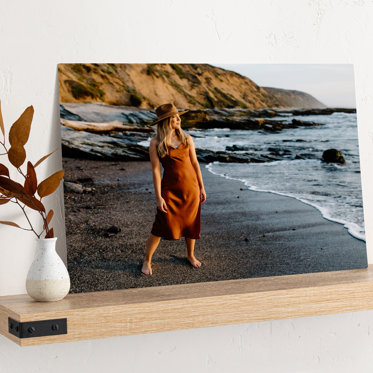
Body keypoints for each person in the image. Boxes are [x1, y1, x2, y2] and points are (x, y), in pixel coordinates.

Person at [141, 102, 207, 276]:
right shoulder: (156, 143)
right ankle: (147, 260)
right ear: (166, 121)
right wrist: (158, 197)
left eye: (178, 116)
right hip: (170, 190)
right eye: (174, 117)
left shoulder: (187, 139)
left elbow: (195, 163)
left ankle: (190, 255)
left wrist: (202, 187)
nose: (178, 119)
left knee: (191, 224)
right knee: (160, 226)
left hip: (191, 189)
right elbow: (156, 171)